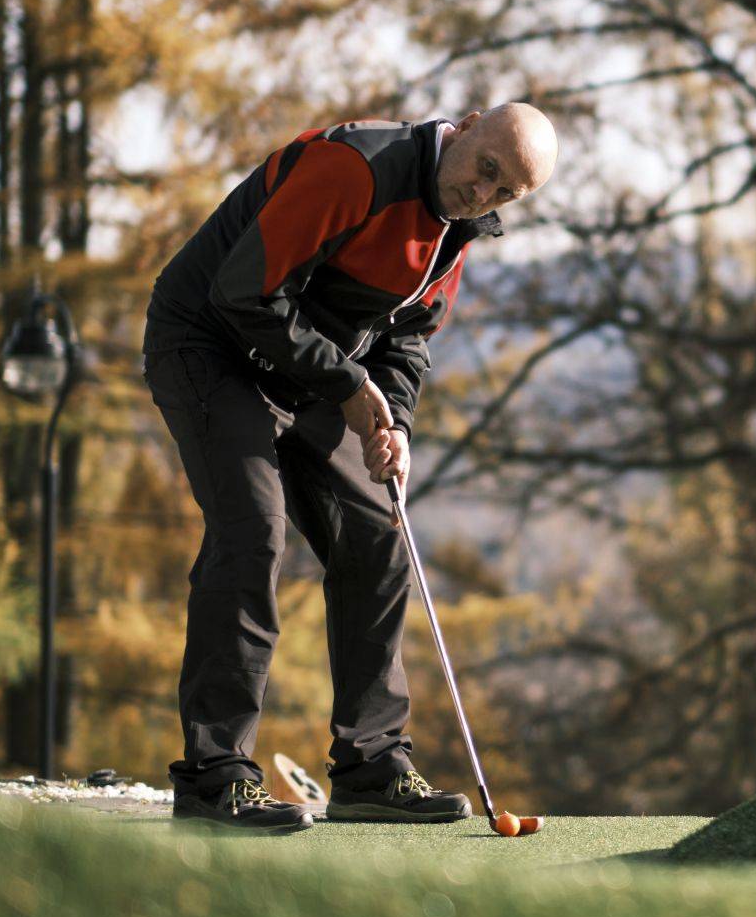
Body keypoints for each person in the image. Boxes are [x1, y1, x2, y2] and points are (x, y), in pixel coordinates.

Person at [140, 106, 559, 831]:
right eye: (487, 169)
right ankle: (215, 776)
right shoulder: (357, 168)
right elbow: (244, 294)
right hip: (206, 341)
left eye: (505, 195)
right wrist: (346, 386)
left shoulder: (458, 231)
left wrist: (391, 421)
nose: (482, 195)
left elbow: (407, 341)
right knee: (252, 533)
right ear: (466, 126)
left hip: (305, 370)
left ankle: (371, 768)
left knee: (378, 536)